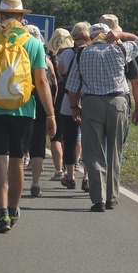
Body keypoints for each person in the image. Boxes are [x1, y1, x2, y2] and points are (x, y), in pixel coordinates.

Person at [0, 0, 56, 233]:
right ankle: (13, 209)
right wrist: (50, 114)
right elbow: (41, 81)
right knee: (17, 163)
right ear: (21, 17)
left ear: (0, 16)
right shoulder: (33, 43)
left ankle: (1, 215)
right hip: (24, 110)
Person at [65, 22, 138, 212]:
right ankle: (112, 197)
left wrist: (75, 107)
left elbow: (72, 87)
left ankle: (98, 199)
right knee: (114, 151)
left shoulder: (82, 54)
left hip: (91, 104)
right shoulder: (120, 50)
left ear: (91, 37)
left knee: (94, 152)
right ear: (109, 35)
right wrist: (120, 33)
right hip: (117, 103)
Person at [56, 22, 91, 190]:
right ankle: (87, 177)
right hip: (88, 100)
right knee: (89, 140)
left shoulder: (66, 53)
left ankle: (70, 176)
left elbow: (61, 72)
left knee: (69, 140)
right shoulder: (93, 52)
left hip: (69, 100)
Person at [98, 14, 138, 134]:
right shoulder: (124, 52)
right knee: (116, 144)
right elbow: (137, 83)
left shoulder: (88, 51)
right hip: (118, 100)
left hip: (93, 101)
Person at [26, 24, 57, 197]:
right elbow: (54, 86)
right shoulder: (46, 60)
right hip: (40, 105)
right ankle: (36, 183)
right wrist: (51, 111)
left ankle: (10, 178)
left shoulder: (18, 54)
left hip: (20, 103)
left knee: (16, 144)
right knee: (38, 145)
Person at [46, 27, 74, 181]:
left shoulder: (49, 58)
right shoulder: (73, 55)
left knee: (55, 136)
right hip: (71, 94)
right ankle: (71, 165)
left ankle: (58, 170)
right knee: (71, 134)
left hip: (54, 95)